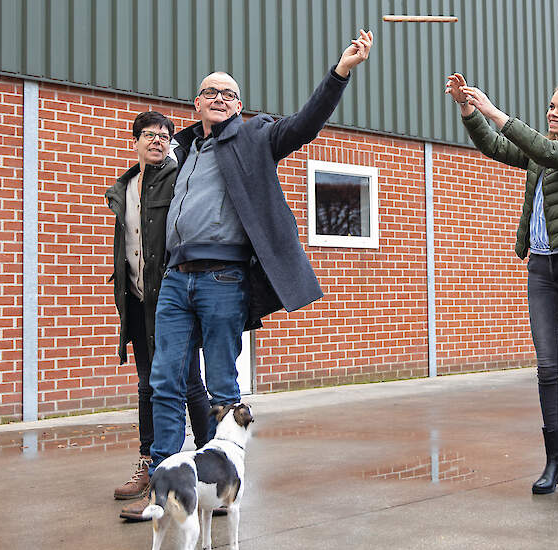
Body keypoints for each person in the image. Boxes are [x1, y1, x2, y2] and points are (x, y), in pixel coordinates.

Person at [119, 30, 374, 519]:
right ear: (195, 104)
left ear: (240, 106)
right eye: (211, 92)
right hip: (175, 279)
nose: (219, 98)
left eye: (229, 94)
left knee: (221, 387)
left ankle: (224, 486)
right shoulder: (185, 150)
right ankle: (165, 489)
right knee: (165, 381)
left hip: (222, 279)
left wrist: (340, 72)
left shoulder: (256, 135)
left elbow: (305, 125)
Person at [445, 73, 558, 494]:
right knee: (548, 369)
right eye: (551, 106)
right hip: (542, 269)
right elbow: (497, 146)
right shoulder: (541, 152)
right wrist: (467, 109)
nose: (552, 112)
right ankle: (556, 463)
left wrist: (494, 110)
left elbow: (544, 149)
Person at [105, 111, 211, 511]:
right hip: (135, 301)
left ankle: (207, 460)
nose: (157, 141)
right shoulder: (126, 185)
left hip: (172, 298)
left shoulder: (180, 176)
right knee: (147, 383)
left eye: (164, 136)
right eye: (149, 135)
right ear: (135, 140)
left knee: (187, 382)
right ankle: (149, 465)